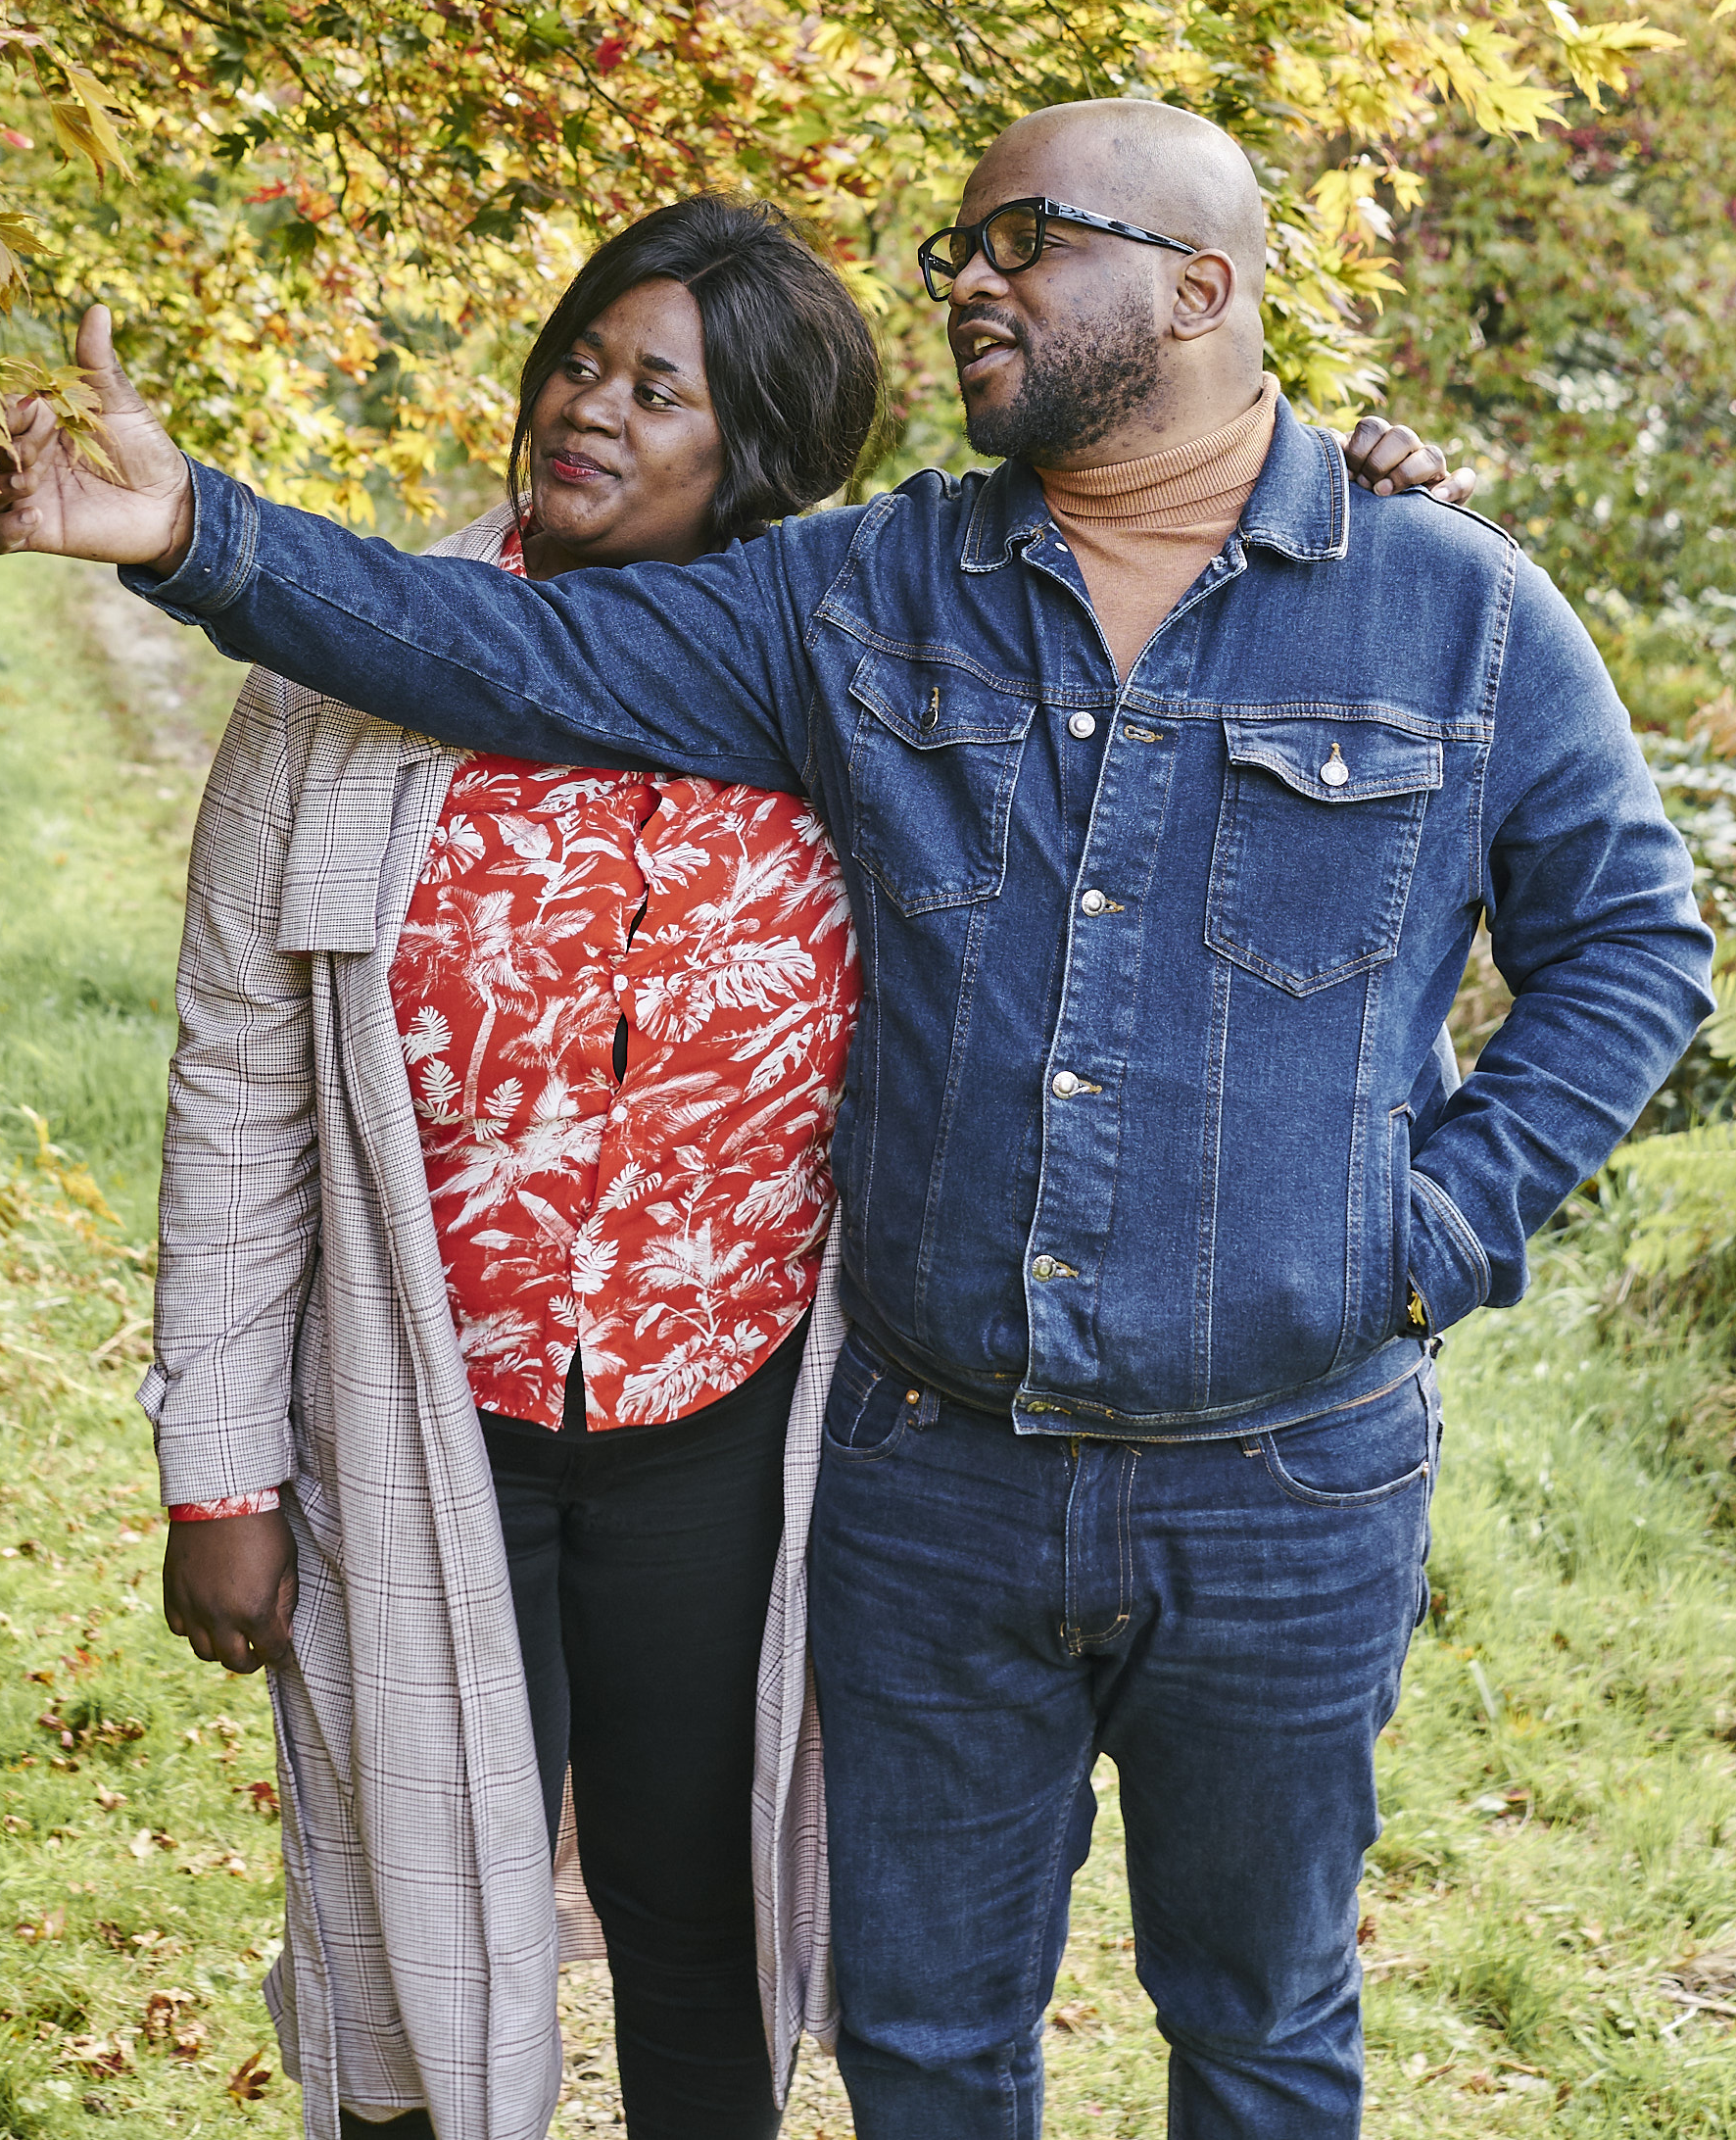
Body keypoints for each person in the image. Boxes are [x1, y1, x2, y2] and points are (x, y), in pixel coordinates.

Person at [138, 191, 1470, 2140]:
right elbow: (237, 1090)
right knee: (409, 1908)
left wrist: (1342, 511)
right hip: (422, 1414)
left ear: (751, 444)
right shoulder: (360, 655)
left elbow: (1149, 681)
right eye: (578, 358)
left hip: (727, 1424)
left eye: (655, 387)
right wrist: (219, 1464)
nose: (588, 408)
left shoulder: (865, 669)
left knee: (706, 1913)